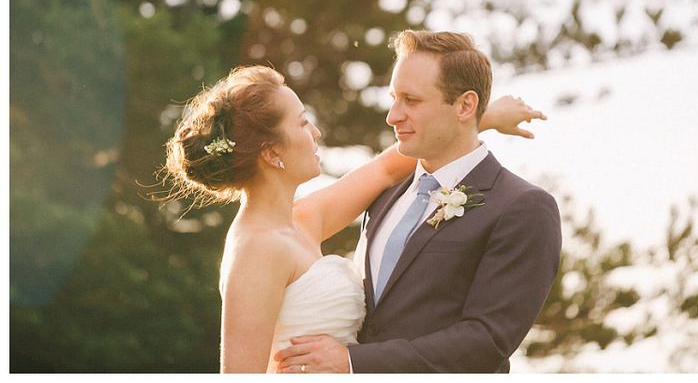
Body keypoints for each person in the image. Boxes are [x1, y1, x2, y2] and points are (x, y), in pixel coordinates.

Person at [163, 39, 546, 373]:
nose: (315, 132)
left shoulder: (301, 221)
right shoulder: (257, 246)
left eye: (409, 100)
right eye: (302, 123)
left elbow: (383, 168)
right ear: (272, 152)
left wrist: (478, 117)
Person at [275, 30, 562, 373]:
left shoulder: (523, 207)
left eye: (411, 100)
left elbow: (486, 341)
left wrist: (352, 362)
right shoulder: (384, 193)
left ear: (465, 105)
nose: (392, 116)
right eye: (394, 98)